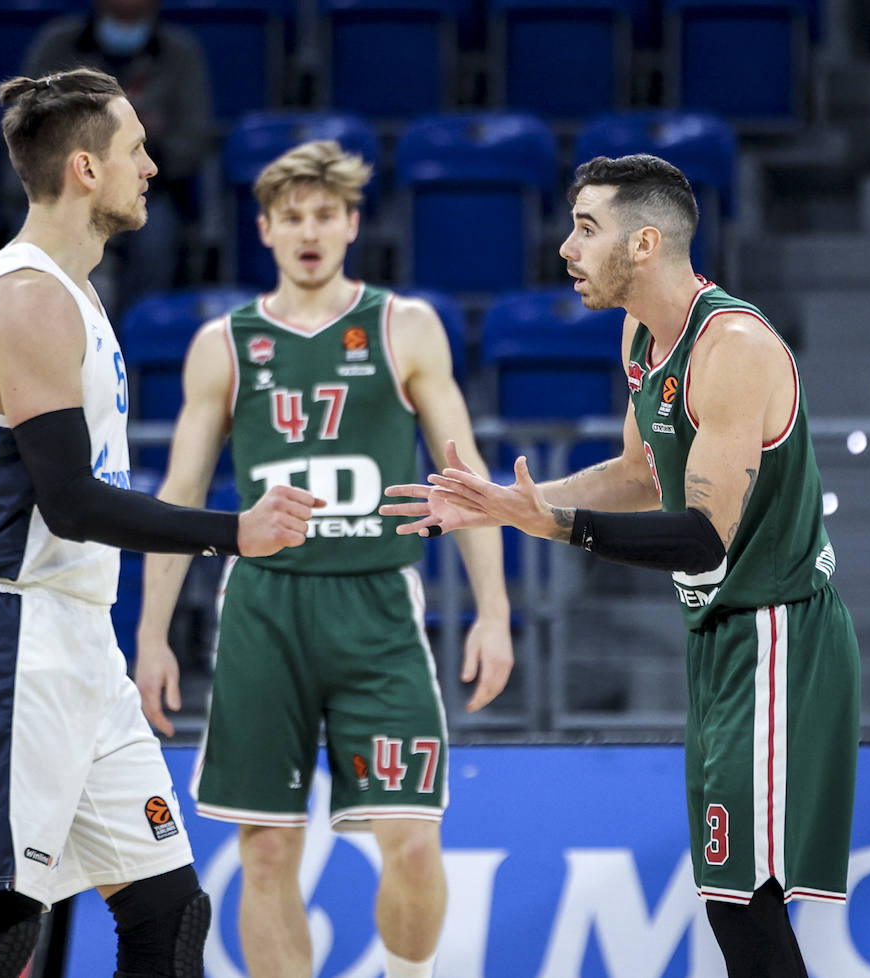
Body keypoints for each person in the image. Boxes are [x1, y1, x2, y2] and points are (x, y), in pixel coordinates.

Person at [383, 153, 860, 978]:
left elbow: (703, 535)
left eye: (586, 227)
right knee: (729, 898)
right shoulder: (641, 333)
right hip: (720, 637)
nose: (565, 247)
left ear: (644, 244)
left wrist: (560, 525)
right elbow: (643, 474)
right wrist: (508, 503)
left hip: (779, 634)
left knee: (744, 904)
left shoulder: (733, 346)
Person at [0, 68, 318, 978]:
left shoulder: (78, 292)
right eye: (136, 149)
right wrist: (232, 532)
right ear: (85, 169)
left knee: (169, 910)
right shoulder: (26, 299)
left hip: (76, 639)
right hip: (8, 636)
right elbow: (71, 502)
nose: (152, 166)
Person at [133, 140, 514, 978]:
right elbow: (181, 496)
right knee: (266, 853)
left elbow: (465, 477)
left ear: (351, 224)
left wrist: (494, 610)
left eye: (325, 215)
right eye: (291, 217)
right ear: (264, 229)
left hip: (376, 602)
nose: (308, 231)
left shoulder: (403, 325)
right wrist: (152, 635)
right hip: (264, 606)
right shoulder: (222, 344)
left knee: (413, 844)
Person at [22, 0, 212, 315]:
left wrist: (145, 144)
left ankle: (136, 343)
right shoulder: (57, 45)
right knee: (46, 231)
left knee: (155, 237)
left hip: (149, 187)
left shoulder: (180, 52)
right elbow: (28, 126)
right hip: (66, 186)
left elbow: (192, 143)